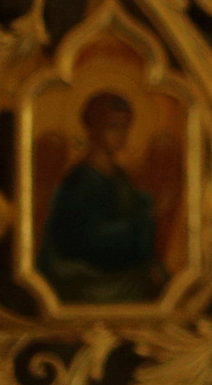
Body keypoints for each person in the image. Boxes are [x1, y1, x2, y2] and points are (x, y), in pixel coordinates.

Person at [38, 91, 166, 304]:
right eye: (113, 126)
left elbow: (133, 207)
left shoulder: (120, 176)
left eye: (125, 127)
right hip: (90, 280)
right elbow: (86, 239)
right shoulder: (81, 180)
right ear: (94, 129)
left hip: (122, 272)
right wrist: (142, 221)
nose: (121, 134)